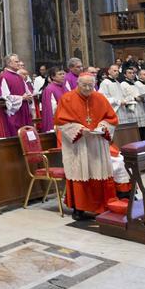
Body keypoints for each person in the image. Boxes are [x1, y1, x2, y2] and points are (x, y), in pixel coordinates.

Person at [55, 72, 119, 220]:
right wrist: (79, 129)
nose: (88, 88)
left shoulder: (100, 98)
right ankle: (79, 208)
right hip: (78, 144)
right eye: (84, 85)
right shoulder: (67, 98)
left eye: (91, 85)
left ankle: (100, 205)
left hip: (96, 143)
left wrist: (103, 126)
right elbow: (61, 122)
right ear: (78, 84)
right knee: (79, 173)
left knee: (98, 172)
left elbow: (112, 118)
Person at [0, 54, 34, 136]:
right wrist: (22, 98)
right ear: (9, 63)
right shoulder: (4, 77)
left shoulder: (19, 77)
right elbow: (5, 98)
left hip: (24, 111)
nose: (19, 63)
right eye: (16, 61)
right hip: (14, 114)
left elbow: (27, 92)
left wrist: (29, 97)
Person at [40, 67, 68, 131]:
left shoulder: (65, 88)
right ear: (53, 77)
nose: (63, 76)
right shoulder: (49, 89)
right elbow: (52, 108)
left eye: (63, 74)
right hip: (57, 120)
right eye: (60, 74)